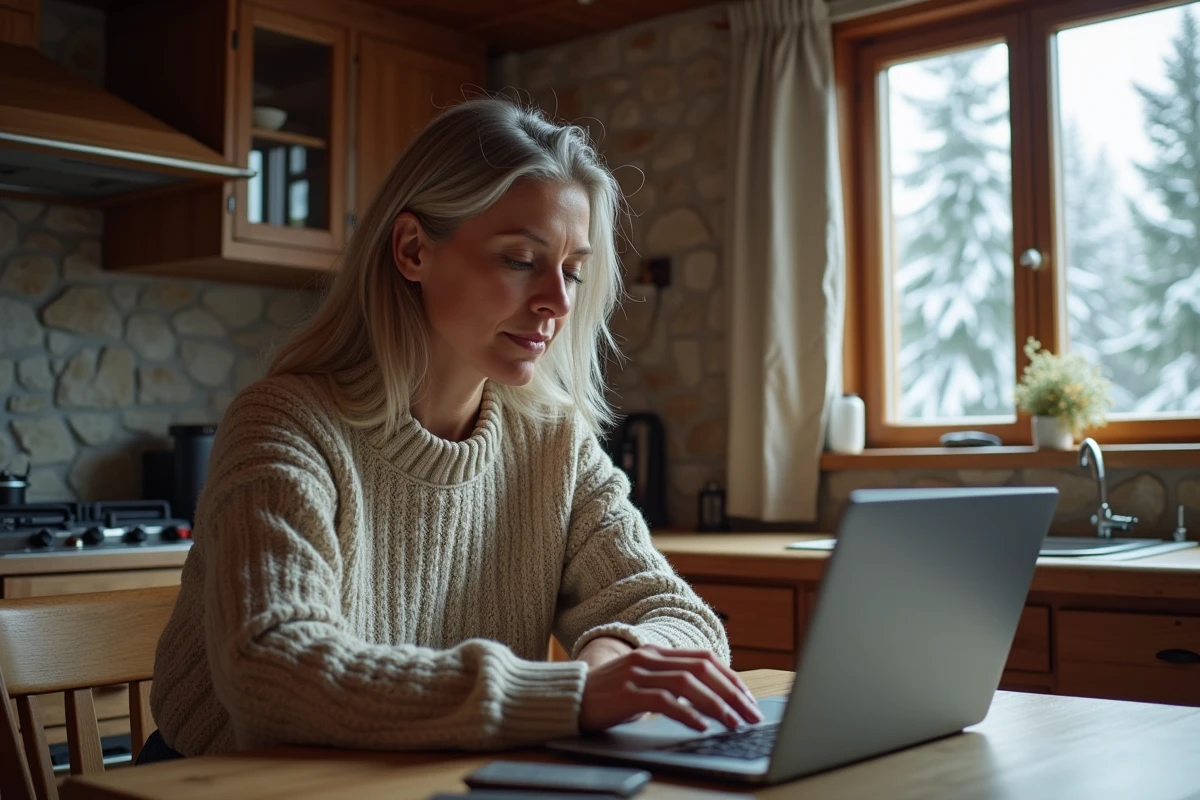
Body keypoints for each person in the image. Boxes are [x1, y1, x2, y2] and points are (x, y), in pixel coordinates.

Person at [141, 97, 761, 762]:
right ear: (412, 249)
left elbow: (678, 616)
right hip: (230, 782)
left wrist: (615, 659)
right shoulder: (288, 424)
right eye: (522, 259)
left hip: (423, 774)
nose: (556, 300)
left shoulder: (553, 441)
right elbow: (274, 670)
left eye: (573, 269)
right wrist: (575, 696)